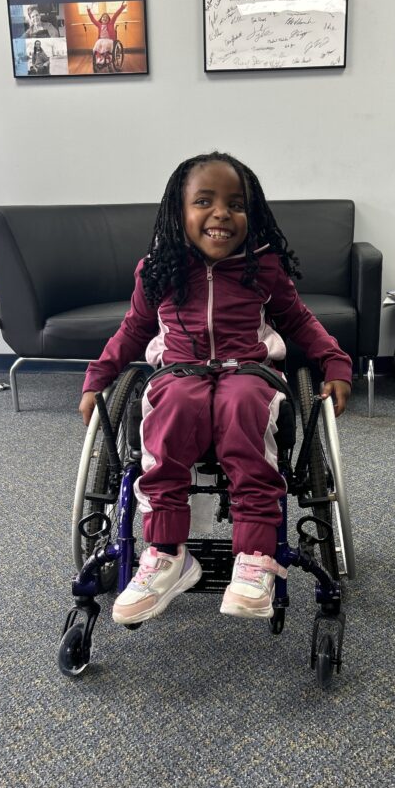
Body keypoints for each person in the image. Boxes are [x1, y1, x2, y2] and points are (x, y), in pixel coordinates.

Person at [79, 151, 352, 626]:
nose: (221, 213)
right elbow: (133, 328)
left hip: (248, 371)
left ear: (252, 213)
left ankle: (255, 558)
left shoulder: (263, 268)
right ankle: (168, 553)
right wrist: (98, 377)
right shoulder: (159, 269)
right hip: (179, 371)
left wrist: (335, 361)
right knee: (172, 404)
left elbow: (299, 322)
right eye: (204, 201)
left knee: (243, 403)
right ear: (178, 211)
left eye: (236, 204)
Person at [88, 1, 127, 65]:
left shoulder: (111, 23)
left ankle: (107, 58)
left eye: (106, 17)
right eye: (103, 17)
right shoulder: (99, 24)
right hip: (101, 40)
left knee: (105, 44)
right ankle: (99, 58)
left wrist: (122, 7)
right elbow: (92, 19)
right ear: (101, 19)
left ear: (109, 19)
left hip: (109, 40)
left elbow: (116, 15)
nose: (105, 18)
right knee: (98, 44)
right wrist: (89, 11)